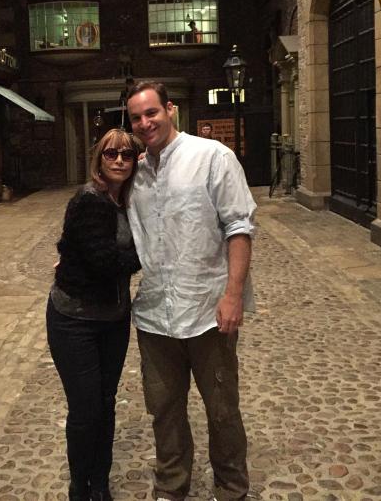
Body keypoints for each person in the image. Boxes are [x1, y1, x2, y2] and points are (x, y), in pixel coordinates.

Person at [126, 82, 256, 501]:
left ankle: (231, 488)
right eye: (136, 117)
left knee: (222, 410)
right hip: (155, 315)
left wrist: (233, 295)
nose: (145, 123)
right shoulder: (135, 173)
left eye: (151, 112)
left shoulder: (212, 157)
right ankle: (171, 486)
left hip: (207, 311)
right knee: (163, 410)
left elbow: (239, 227)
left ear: (170, 109)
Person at [46, 128, 141, 501]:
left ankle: (99, 482)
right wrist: (149, 251)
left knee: (105, 402)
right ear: (98, 159)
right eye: (110, 154)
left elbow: (70, 244)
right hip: (75, 320)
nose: (119, 160)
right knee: (85, 408)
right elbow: (105, 262)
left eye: (126, 155)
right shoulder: (90, 200)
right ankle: (79, 486)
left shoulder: (126, 201)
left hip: (113, 319)